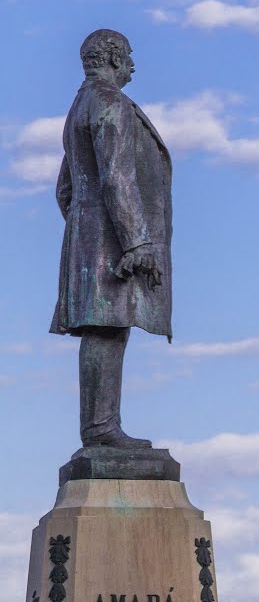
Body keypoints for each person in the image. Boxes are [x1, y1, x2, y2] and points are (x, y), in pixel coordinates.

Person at [52, 29, 172, 447]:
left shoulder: (80, 104)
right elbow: (118, 177)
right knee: (107, 328)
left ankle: (100, 428)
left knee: (105, 330)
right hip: (110, 238)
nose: (134, 66)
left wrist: (83, 228)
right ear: (114, 58)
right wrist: (136, 242)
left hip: (89, 234)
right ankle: (102, 429)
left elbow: (65, 189)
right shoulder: (110, 102)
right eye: (130, 57)